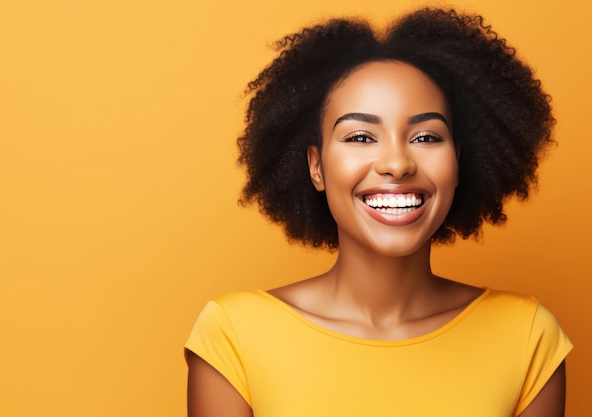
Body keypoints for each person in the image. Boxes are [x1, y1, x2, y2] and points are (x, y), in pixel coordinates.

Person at [185, 7, 573, 417]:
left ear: (457, 162)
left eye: (425, 136)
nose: (397, 163)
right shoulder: (235, 335)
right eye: (361, 136)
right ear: (316, 166)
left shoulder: (528, 337)